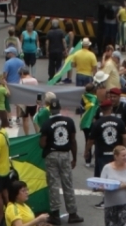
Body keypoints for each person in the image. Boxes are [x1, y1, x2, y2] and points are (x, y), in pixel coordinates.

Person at [39, 94, 83, 225]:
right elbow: (73, 140)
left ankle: (55, 214)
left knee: (53, 185)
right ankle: (73, 214)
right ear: (60, 108)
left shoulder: (46, 123)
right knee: (67, 184)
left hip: (51, 155)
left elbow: (42, 143)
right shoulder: (69, 122)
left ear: (49, 109)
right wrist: (74, 158)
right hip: (65, 155)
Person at [97, 146, 126, 226]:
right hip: (110, 204)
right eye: (123, 155)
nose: (125, 157)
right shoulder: (107, 168)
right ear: (116, 156)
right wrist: (102, 188)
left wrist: (125, 185)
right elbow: (101, 184)